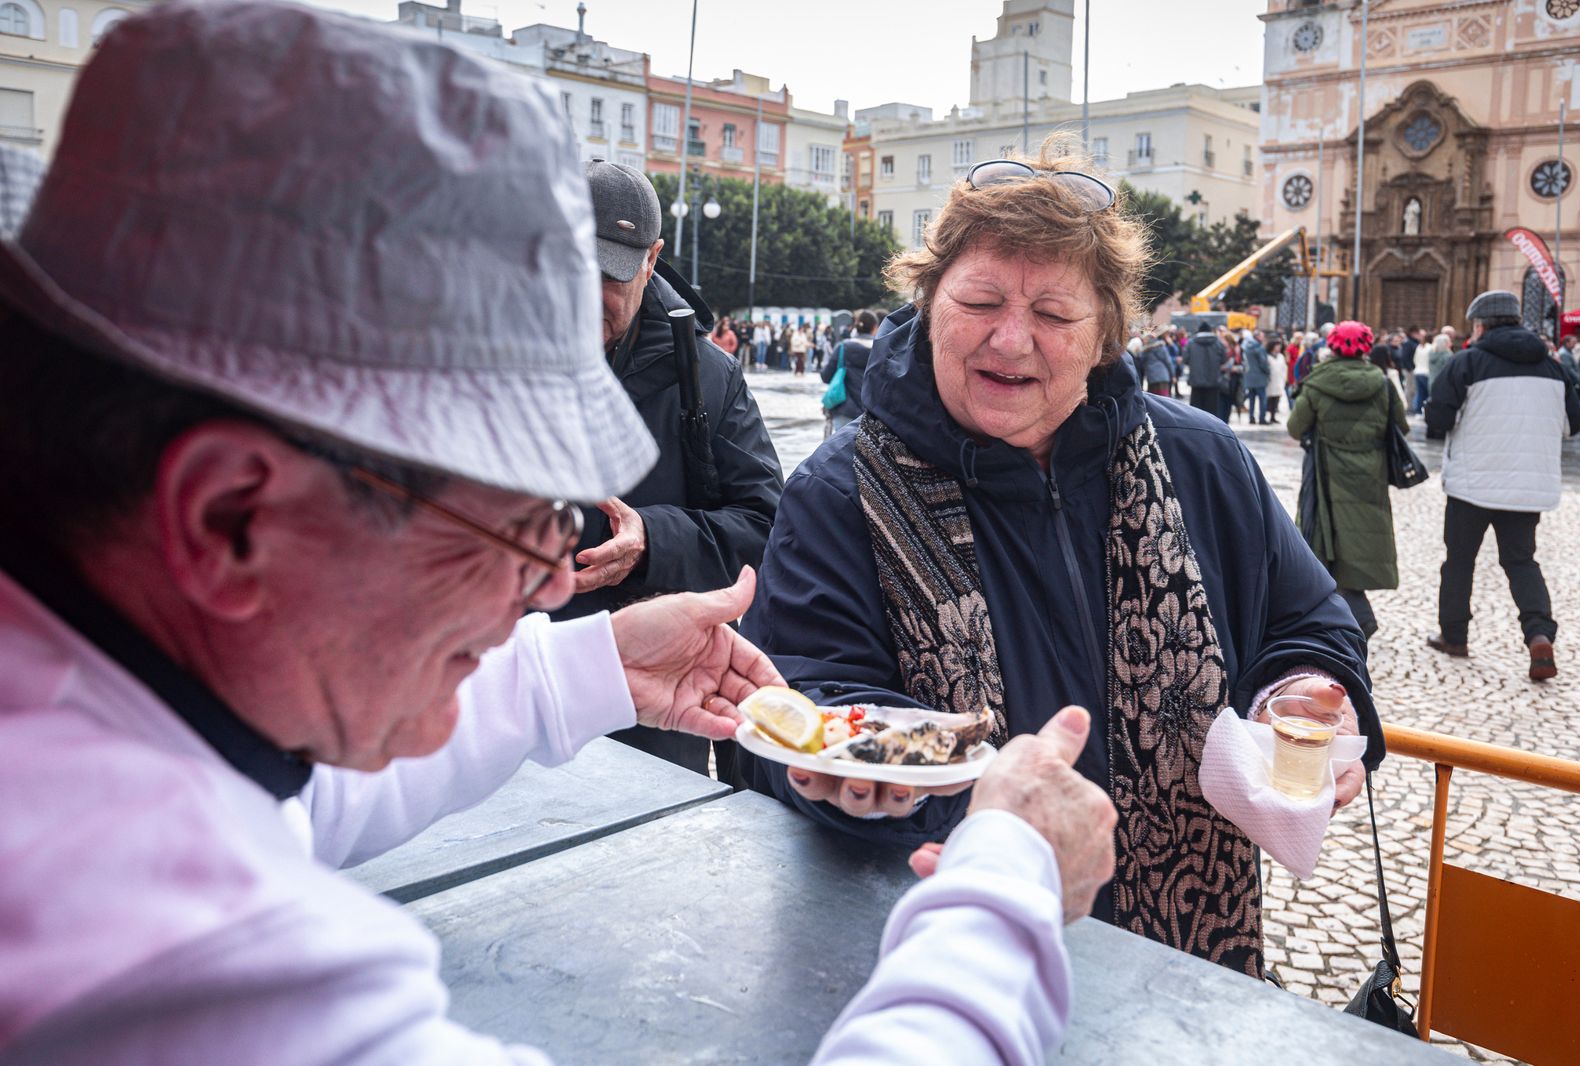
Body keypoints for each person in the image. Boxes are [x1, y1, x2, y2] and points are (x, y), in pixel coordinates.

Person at [0, 5, 1118, 1063]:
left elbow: (290, 801)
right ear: (229, 515)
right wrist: (1002, 888)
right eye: (507, 521)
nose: (546, 581)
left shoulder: (93, 708)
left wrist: (579, 670)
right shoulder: (129, 929)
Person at [738, 140, 1383, 979]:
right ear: (930, 304)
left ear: (1106, 334)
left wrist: (1300, 690)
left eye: (1053, 313)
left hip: (1182, 962)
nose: (1011, 340)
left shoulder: (1203, 460)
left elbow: (1309, 623)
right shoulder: (838, 490)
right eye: (980, 301)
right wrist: (875, 776)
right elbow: (805, 698)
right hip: (947, 950)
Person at [560, 160, 784, 779]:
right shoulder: (487, 355)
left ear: (651, 260)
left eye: (607, 275)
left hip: (649, 711)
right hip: (506, 689)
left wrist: (652, 542)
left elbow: (765, 525)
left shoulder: (707, 377)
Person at [1424, 290, 1580, 680]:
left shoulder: (1467, 362)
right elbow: (1573, 423)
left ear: (1480, 325)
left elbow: (1438, 419)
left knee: (1459, 561)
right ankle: (1538, 634)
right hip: (1527, 485)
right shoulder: (1553, 367)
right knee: (1522, 561)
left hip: (1472, 483)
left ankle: (1454, 636)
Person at [1286, 322, 1406, 641]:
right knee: (1358, 538)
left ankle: (1356, 614)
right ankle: (1352, 611)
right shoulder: (1382, 383)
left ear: (1332, 346)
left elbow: (1296, 427)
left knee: (1328, 538)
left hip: (1328, 473)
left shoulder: (1317, 383)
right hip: (1371, 473)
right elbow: (1401, 425)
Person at [821, 309, 878, 438]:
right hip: (872, 413)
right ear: (875, 327)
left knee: (842, 447)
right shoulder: (880, 349)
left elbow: (826, 376)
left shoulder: (843, 347)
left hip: (844, 409)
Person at [1186, 320, 1226, 421]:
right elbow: (1223, 360)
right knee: (1212, 412)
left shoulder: (1191, 343)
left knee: (1196, 412)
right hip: (1213, 382)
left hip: (1196, 381)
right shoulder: (1218, 343)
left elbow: (1185, 359)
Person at [1242, 328, 1270, 424]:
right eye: (1262, 336)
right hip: (1259, 377)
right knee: (1262, 399)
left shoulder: (1246, 347)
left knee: (1251, 399)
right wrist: (1268, 372)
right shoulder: (1259, 347)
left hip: (1249, 377)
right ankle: (1262, 418)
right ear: (1257, 337)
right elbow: (1263, 363)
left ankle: (1251, 417)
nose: (1263, 338)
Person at [1142, 332, 1176, 397]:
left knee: (1154, 399)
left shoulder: (1145, 351)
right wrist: (1173, 375)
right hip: (1163, 376)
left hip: (1152, 378)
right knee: (1164, 398)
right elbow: (1168, 362)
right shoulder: (1161, 347)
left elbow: (1142, 363)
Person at [1265, 337, 1287, 423]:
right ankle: (1268, 416)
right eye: (1277, 346)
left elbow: (1284, 368)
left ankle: (1273, 416)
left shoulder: (1281, 356)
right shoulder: (1267, 356)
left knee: (1277, 399)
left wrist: (1284, 378)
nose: (1279, 347)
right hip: (1270, 381)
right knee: (1270, 399)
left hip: (1279, 380)